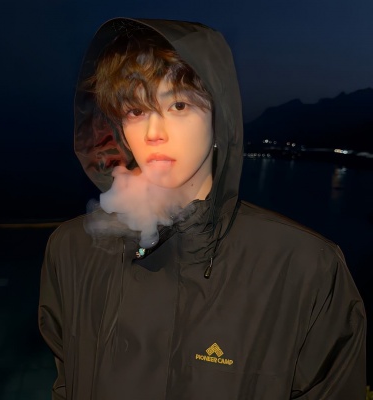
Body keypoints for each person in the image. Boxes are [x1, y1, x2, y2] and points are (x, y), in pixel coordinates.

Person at [38, 17, 366, 399]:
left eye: (178, 105)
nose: (153, 133)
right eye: (135, 111)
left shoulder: (305, 270)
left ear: (218, 115)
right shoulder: (72, 251)